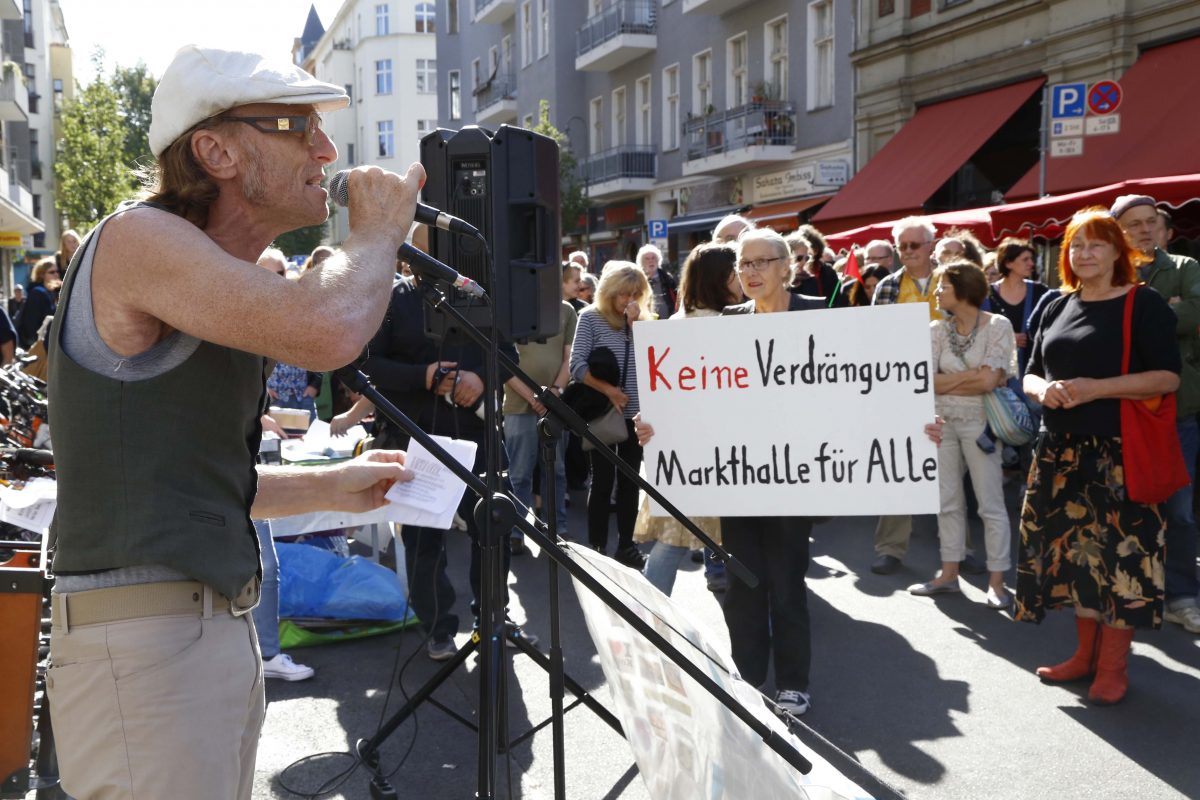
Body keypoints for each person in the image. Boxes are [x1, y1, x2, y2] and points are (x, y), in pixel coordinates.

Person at [43, 46, 422, 799]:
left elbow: (195, 486)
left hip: (195, 631)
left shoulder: (217, 287)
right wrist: (376, 233)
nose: (325, 148)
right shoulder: (136, 239)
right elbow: (328, 330)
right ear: (215, 149)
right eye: (296, 126)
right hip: (145, 638)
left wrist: (335, 486)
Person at [1016, 208, 1180, 705]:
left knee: (1121, 563)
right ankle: (1083, 658)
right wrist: (1044, 391)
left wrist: (1095, 390)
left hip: (1120, 454)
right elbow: (1028, 372)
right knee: (1076, 562)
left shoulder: (1142, 303)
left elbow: (1167, 378)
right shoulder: (1053, 305)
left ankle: (1112, 668)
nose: (1084, 254)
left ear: (1118, 252)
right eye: (1076, 246)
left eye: (1096, 245)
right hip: (1059, 454)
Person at [357, 271, 531, 659]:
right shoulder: (390, 300)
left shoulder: (479, 295)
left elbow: (508, 357)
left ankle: (492, 617)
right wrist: (424, 376)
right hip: (415, 440)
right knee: (423, 542)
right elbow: (366, 366)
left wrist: (482, 379)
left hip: (479, 436)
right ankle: (437, 627)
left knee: (493, 529)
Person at [1112, 194, 1200, 634]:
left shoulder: (1185, 268)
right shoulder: (1105, 272)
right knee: (1125, 506)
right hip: (1116, 413)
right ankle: (1133, 589)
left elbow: (1197, 313)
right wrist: (1168, 311)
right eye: (1133, 224)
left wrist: (1145, 317)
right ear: (1117, 233)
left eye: (1151, 222)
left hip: (1176, 411)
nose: (1144, 230)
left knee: (1180, 510)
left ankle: (1183, 596)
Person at [909, 261, 1015, 608]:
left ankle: (997, 582)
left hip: (982, 424)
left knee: (989, 504)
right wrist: (973, 377)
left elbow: (990, 381)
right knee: (946, 501)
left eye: (942, 286)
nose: (936, 292)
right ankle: (948, 573)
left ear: (963, 288)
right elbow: (924, 380)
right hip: (941, 422)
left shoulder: (997, 325)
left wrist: (949, 381)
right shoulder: (935, 330)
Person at [637, 243, 739, 595]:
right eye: (735, 273)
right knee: (692, 539)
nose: (742, 279)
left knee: (674, 537)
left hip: (683, 451)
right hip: (718, 450)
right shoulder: (729, 324)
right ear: (720, 280)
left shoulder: (676, 324)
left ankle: (647, 617)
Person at [869, 216, 941, 576]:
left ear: (932, 245)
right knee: (898, 469)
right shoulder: (886, 286)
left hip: (950, 385)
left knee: (952, 470)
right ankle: (890, 548)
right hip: (900, 389)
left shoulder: (954, 279)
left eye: (915, 245)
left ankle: (959, 549)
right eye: (903, 246)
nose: (909, 252)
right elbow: (874, 339)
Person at [569, 261, 652, 568]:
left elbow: (654, 362)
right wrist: (610, 391)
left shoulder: (642, 321)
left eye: (635, 294)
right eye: (622, 295)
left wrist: (636, 326)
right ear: (608, 293)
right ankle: (598, 548)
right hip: (604, 413)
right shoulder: (590, 319)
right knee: (602, 481)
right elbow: (577, 366)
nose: (628, 301)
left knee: (630, 481)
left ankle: (627, 546)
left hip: (635, 415)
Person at [504, 265, 578, 554]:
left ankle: (556, 529)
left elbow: (568, 358)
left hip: (554, 407)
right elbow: (503, 362)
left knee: (556, 472)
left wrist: (554, 395)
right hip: (518, 406)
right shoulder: (511, 310)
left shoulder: (566, 311)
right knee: (518, 474)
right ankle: (516, 531)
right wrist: (536, 398)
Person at [257, 248, 323, 423]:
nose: (279, 279)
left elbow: (316, 345)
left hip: (302, 397)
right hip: (271, 400)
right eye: (273, 273)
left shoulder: (299, 306)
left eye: (282, 273)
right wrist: (261, 389)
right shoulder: (251, 311)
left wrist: (314, 385)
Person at [989, 238, 1049, 373]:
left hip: (1032, 369)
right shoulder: (987, 295)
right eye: (1025, 260)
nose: (1031, 264)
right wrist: (1006, 338)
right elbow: (976, 331)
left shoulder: (1040, 292)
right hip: (996, 372)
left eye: (1031, 259)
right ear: (1008, 263)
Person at [787, 227, 845, 307]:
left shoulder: (813, 278)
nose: (804, 262)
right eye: (798, 258)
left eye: (807, 258)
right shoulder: (780, 283)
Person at [15, 256, 60, 350]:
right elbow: (31, 324)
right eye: (52, 272)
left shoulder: (53, 292)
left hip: (51, 341)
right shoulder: (37, 292)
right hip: (40, 344)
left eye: (57, 271)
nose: (56, 274)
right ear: (42, 275)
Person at [638, 242, 677, 319]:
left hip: (669, 320)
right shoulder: (638, 280)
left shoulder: (667, 278)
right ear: (641, 262)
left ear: (658, 260)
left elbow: (676, 299)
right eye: (647, 258)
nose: (651, 261)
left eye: (653, 258)